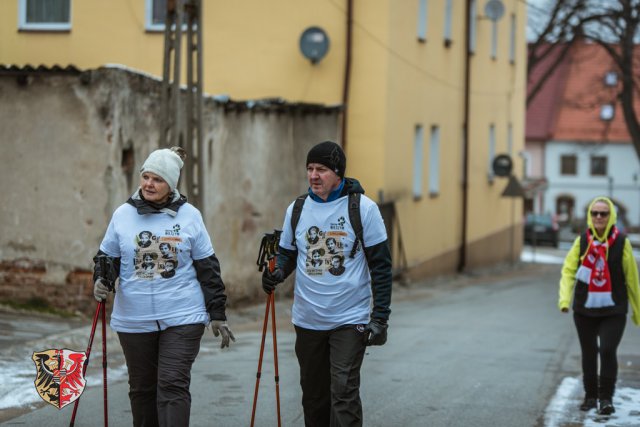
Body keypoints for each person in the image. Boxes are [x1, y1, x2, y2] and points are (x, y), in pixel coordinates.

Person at [93, 146, 235, 427]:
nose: (148, 184)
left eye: (157, 179)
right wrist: (101, 280)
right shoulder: (123, 214)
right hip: (134, 319)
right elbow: (106, 258)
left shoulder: (190, 216)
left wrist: (217, 312)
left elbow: (208, 268)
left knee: (171, 385)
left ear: (171, 184)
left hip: (183, 316)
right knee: (142, 389)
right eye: (145, 176)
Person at [262, 140, 392, 426]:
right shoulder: (297, 209)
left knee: (343, 392)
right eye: (309, 168)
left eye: (321, 169)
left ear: (338, 173)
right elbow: (287, 253)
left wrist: (380, 317)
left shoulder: (363, 210)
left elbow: (381, 266)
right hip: (308, 319)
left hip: (349, 318)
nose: (313, 175)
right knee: (314, 396)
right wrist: (278, 273)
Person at [558, 196, 640, 415]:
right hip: (584, 308)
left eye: (603, 213)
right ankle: (590, 396)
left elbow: (632, 278)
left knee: (606, 350)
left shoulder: (622, 243)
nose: (599, 217)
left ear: (611, 216)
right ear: (589, 216)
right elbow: (568, 271)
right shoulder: (581, 241)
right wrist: (565, 299)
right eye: (595, 213)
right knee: (589, 352)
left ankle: (606, 399)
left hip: (614, 308)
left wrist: (637, 310)